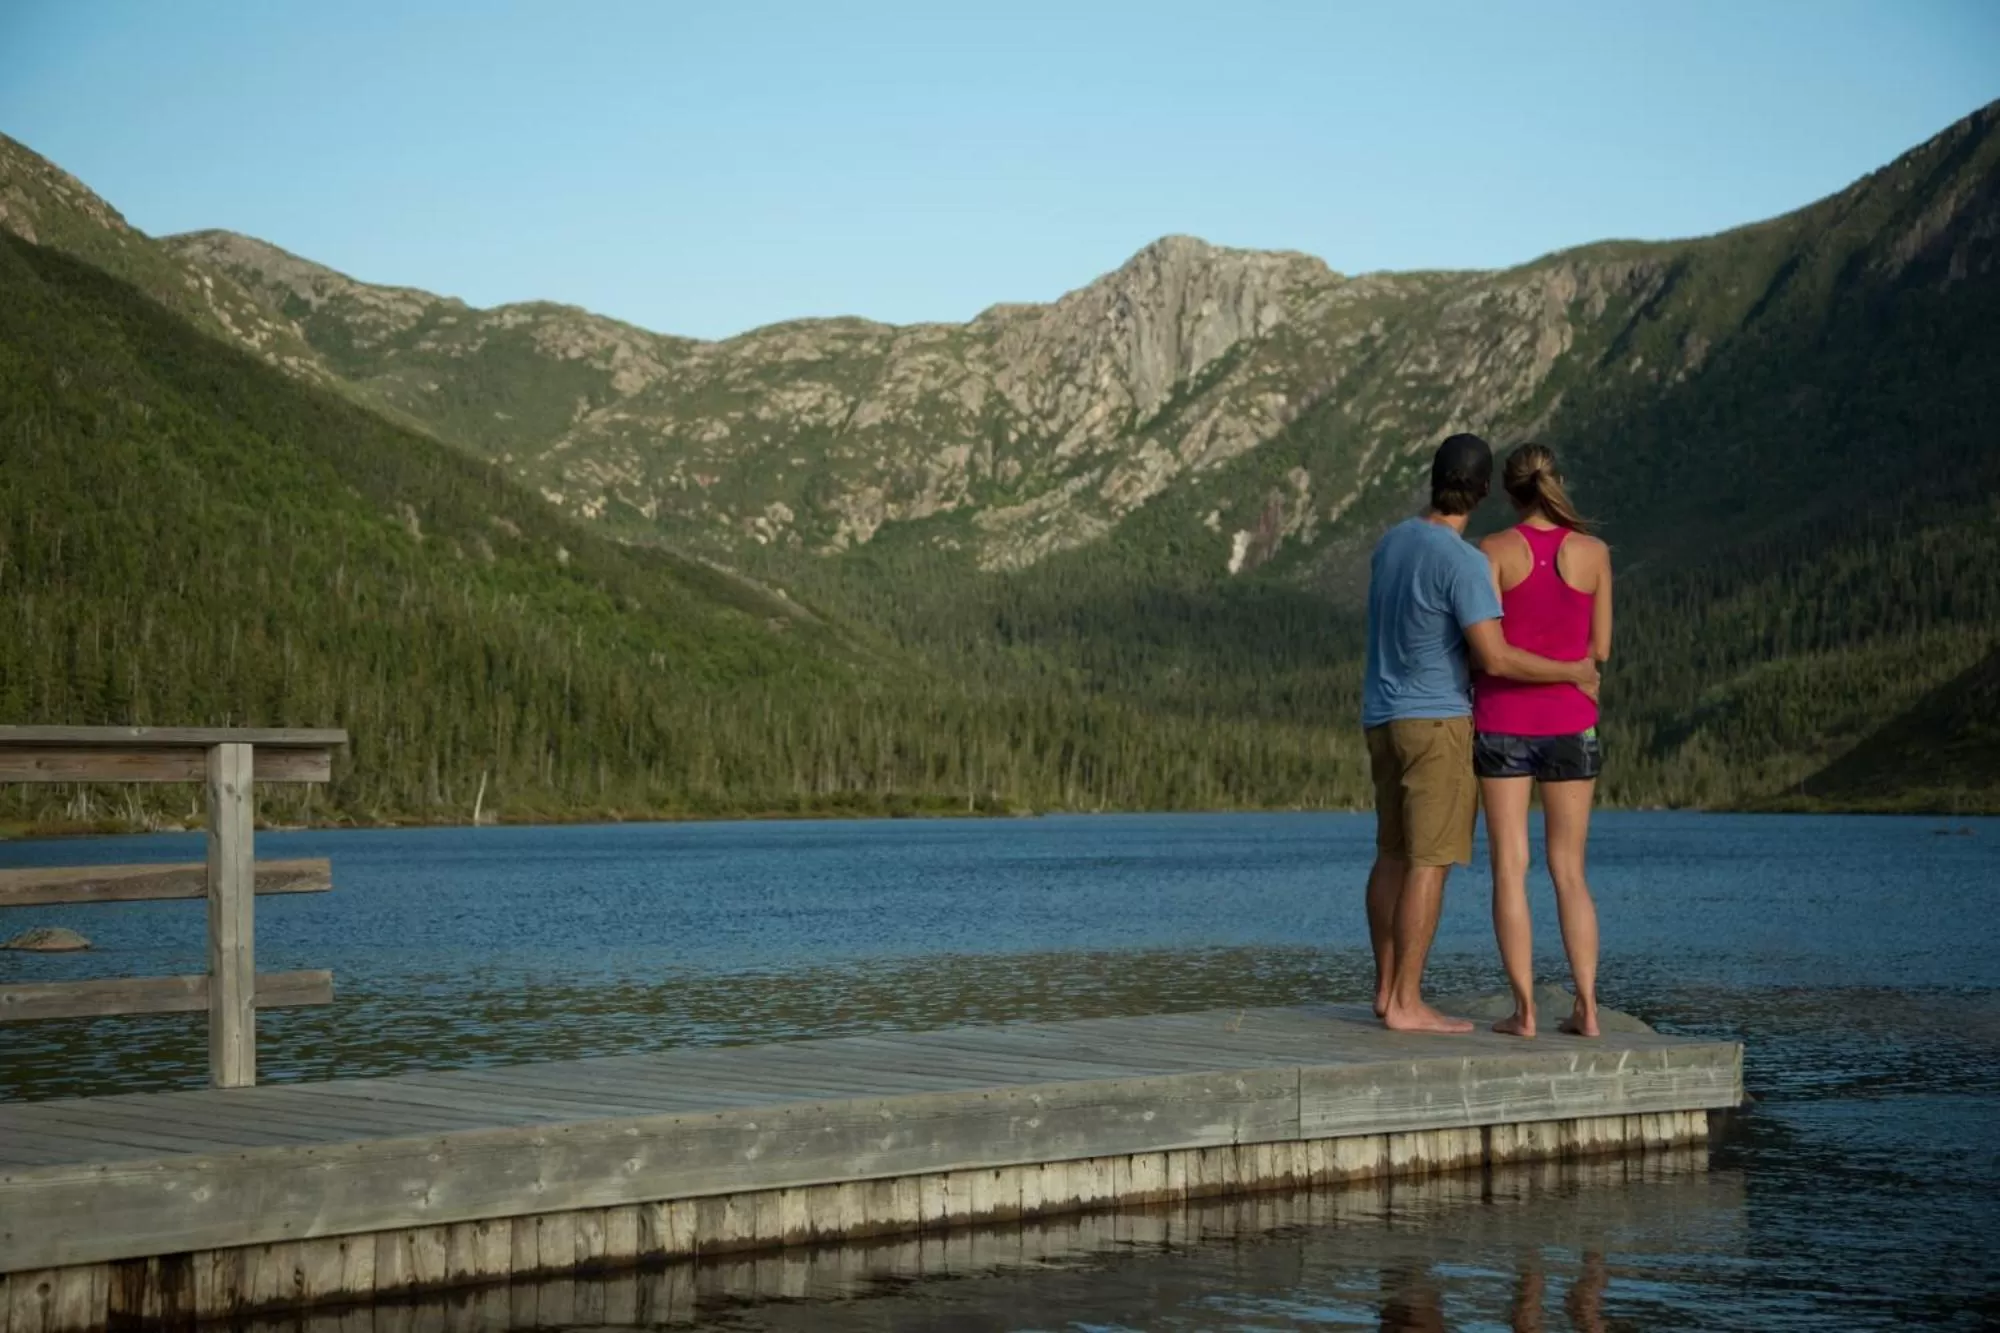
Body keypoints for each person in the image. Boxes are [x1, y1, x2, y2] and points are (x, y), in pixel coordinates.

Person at [1362, 434, 1600, 1034]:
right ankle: (1408, 1003)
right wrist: (1571, 670)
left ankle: (1385, 989)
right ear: (1484, 490)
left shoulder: (1390, 543)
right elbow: (1494, 658)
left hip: (1381, 718)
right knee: (1429, 862)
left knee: (1391, 854)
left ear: (1432, 478)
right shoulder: (1463, 561)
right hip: (1436, 721)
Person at [1473, 444, 1612, 1038]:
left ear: (1509, 492)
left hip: (1502, 721)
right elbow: (1597, 652)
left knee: (1510, 867)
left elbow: (1492, 656)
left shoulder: (1493, 553)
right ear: (1555, 482)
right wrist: (1572, 671)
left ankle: (1525, 1011)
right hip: (1571, 723)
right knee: (1570, 871)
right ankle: (1587, 1007)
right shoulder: (1594, 553)